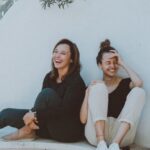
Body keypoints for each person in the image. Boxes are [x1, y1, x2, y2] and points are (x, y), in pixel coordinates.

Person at [0, 39, 86, 142]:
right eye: (55, 51)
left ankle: (28, 131)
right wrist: (32, 114)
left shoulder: (76, 81)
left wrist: (35, 114)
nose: (57, 55)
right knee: (6, 114)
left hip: (67, 131)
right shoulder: (49, 77)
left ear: (72, 59)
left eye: (63, 53)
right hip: (47, 126)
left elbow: (65, 111)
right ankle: (30, 130)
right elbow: (41, 105)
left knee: (46, 94)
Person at [80, 39, 146, 150]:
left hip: (120, 136)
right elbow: (83, 119)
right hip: (95, 136)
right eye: (108, 62)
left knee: (139, 91)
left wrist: (122, 63)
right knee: (98, 87)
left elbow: (139, 83)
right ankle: (101, 143)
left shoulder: (125, 83)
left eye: (115, 62)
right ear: (100, 65)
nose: (112, 66)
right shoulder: (95, 86)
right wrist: (88, 93)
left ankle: (115, 144)